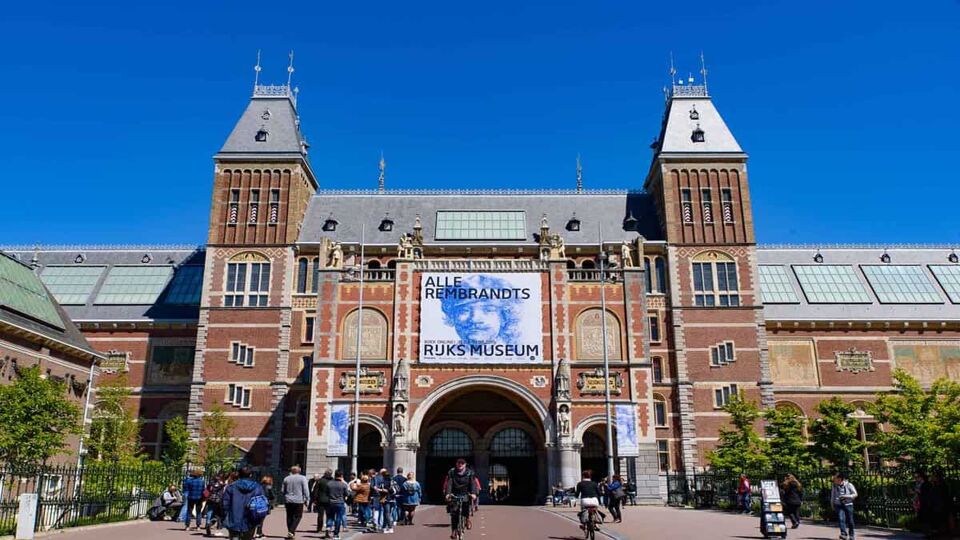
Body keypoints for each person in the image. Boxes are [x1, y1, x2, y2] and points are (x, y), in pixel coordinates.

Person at [222, 467, 266, 540]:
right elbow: (262, 503)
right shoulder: (257, 487)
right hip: (251, 518)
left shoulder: (231, 487)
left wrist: (225, 516)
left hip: (234, 518)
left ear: (239, 474)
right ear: (250, 475)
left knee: (234, 537)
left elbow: (225, 504)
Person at [444, 458, 478, 539]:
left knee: (466, 509)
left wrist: (473, 493)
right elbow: (449, 483)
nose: (460, 465)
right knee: (454, 513)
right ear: (456, 464)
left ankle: (467, 519)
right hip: (455, 493)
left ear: (465, 464)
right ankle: (454, 531)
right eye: (458, 463)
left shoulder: (470, 473)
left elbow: (473, 483)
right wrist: (448, 493)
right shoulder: (452, 472)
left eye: (462, 463)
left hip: (465, 493)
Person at [281, 466, 310, 539]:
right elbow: (305, 489)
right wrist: (307, 498)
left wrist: (286, 495)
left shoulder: (286, 478)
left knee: (289, 516)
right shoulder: (302, 478)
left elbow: (282, 490)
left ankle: (291, 532)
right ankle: (291, 531)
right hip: (298, 500)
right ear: (299, 471)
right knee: (298, 516)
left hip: (288, 500)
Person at [831, 472, 858, 540]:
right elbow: (832, 496)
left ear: (840, 479)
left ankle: (851, 535)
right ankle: (843, 534)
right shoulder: (834, 486)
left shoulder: (849, 485)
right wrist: (832, 504)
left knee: (850, 520)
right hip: (839, 505)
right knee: (841, 519)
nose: (834, 480)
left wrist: (846, 496)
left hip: (848, 505)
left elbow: (855, 494)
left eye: (835, 479)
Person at [325, 470, 350, 540]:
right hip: (340, 502)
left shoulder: (329, 483)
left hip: (330, 502)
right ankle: (336, 534)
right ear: (341, 476)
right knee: (338, 518)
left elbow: (326, 493)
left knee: (330, 516)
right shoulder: (343, 485)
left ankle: (328, 527)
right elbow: (347, 494)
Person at [312, 469, 332, 535]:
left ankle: (319, 529)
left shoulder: (320, 481)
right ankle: (328, 528)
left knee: (320, 515)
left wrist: (314, 500)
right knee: (329, 515)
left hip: (320, 500)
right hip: (330, 500)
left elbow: (316, 491)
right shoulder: (332, 481)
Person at [378, 469, 397, 533]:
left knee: (386, 513)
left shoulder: (383, 482)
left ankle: (390, 527)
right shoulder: (393, 481)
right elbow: (396, 490)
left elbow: (382, 490)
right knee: (386, 513)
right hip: (392, 499)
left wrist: (380, 490)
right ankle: (383, 527)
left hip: (386, 498)